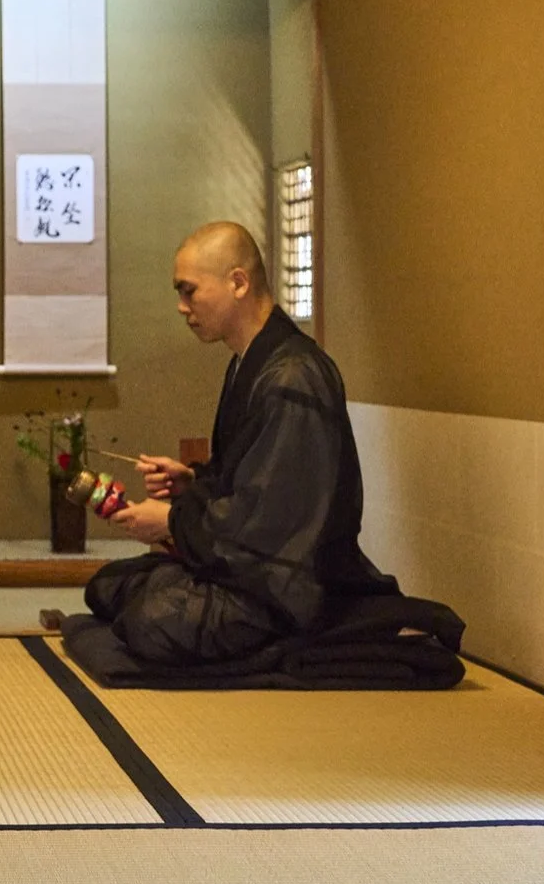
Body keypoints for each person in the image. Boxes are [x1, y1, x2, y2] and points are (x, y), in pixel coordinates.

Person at [82, 220, 396, 669]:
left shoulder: (293, 378)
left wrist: (172, 521)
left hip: (288, 585)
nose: (181, 306)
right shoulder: (250, 365)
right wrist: (190, 482)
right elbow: (244, 481)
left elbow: (270, 522)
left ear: (238, 282)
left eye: (189, 291)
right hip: (249, 568)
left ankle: (297, 641)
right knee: (110, 586)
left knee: (150, 622)